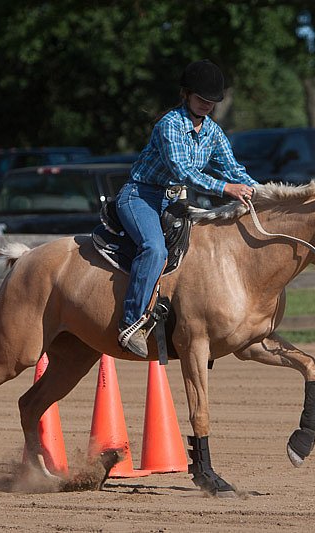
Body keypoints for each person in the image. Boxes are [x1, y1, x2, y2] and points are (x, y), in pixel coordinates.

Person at [116, 59, 258, 358]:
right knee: (154, 249)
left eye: (212, 101)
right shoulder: (169, 124)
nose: (207, 105)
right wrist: (226, 189)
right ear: (186, 94)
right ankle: (132, 323)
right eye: (201, 99)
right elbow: (183, 171)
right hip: (140, 196)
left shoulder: (214, 132)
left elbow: (232, 168)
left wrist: (263, 192)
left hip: (174, 201)